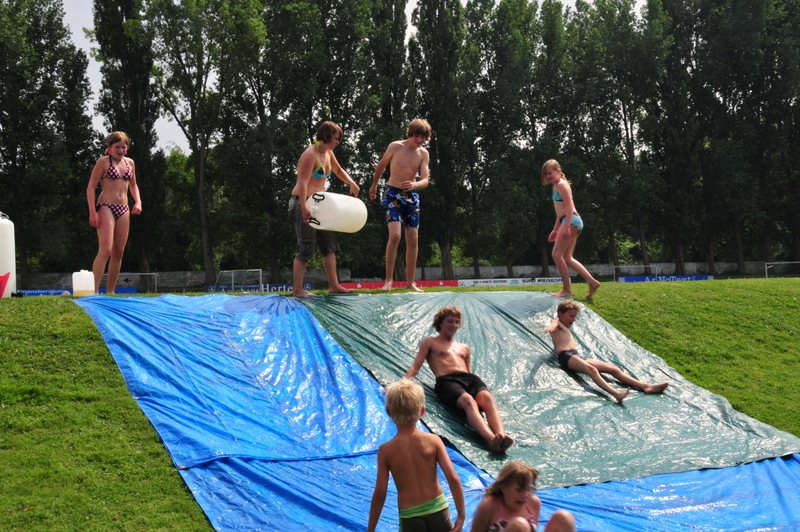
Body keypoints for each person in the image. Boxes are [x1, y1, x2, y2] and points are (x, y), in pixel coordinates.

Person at [406, 306, 514, 454]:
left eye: (456, 322)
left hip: (469, 379)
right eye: (450, 321)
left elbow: (468, 371)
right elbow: (416, 366)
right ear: (440, 323)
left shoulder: (464, 347)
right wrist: (403, 383)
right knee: (468, 400)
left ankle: (501, 436)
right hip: (446, 381)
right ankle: (491, 440)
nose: (454, 325)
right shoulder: (430, 342)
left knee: (487, 397)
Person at [367, 379, 466, 532]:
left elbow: (380, 493)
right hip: (438, 510)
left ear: (388, 412)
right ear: (422, 411)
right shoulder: (434, 441)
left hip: (410, 515)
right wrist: (461, 515)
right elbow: (453, 478)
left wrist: (371, 529)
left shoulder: (386, 451)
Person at [546, 300, 669, 404]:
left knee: (613, 369)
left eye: (575, 316)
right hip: (566, 357)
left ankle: (646, 386)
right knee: (592, 370)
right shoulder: (557, 323)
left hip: (576, 356)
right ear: (560, 314)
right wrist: (550, 328)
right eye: (571, 316)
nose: (573, 319)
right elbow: (553, 325)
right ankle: (616, 394)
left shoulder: (565, 324)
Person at [289, 121, 360, 297]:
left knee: (329, 246)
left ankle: (334, 285)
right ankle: (297, 289)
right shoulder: (310, 154)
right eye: (336, 138)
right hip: (302, 202)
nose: (338, 141)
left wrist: (351, 183)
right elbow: (302, 183)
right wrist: (304, 207)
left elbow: (338, 170)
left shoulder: (328, 153)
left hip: (321, 205)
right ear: (327, 136)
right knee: (306, 247)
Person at [368, 119, 432, 292]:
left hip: (411, 196)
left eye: (423, 137)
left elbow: (426, 179)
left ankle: (410, 282)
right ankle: (388, 280)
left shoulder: (423, 153)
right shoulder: (396, 146)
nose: (419, 140)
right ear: (410, 133)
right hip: (393, 193)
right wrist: (374, 185)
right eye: (417, 136)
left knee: (413, 238)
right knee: (395, 235)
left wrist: (415, 184)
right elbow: (380, 166)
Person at [86, 131, 142, 295]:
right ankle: (94, 291)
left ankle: (111, 291)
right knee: (106, 250)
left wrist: (138, 201)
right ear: (109, 148)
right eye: (117, 147)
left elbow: (133, 185)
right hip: (106, 206)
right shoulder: (103, 162)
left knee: (119, 252)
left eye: (124, 147)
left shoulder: (130, 163)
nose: (121, 150)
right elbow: (91, 187)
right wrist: (92, 211)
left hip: (123, 208)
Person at [541, 159, 600, 299]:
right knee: (567, 257)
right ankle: (592, 282)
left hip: (571, 221)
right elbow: (560, 212)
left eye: (550, 173)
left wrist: (566, 226)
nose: (548, 176)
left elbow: (569, 207)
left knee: (556, 255)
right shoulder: (556, 186)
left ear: (558, 171)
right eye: (546, 174)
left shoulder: (562, 185)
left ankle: (567, 290)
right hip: (571, 221)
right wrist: (555, 230)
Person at [470, 461, 575, 532]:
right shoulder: (490, 506)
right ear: (503, 487)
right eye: (519, 490)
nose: (525, 495)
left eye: (528, 489)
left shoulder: (533, 503)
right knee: (519, 525)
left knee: (564, 517)